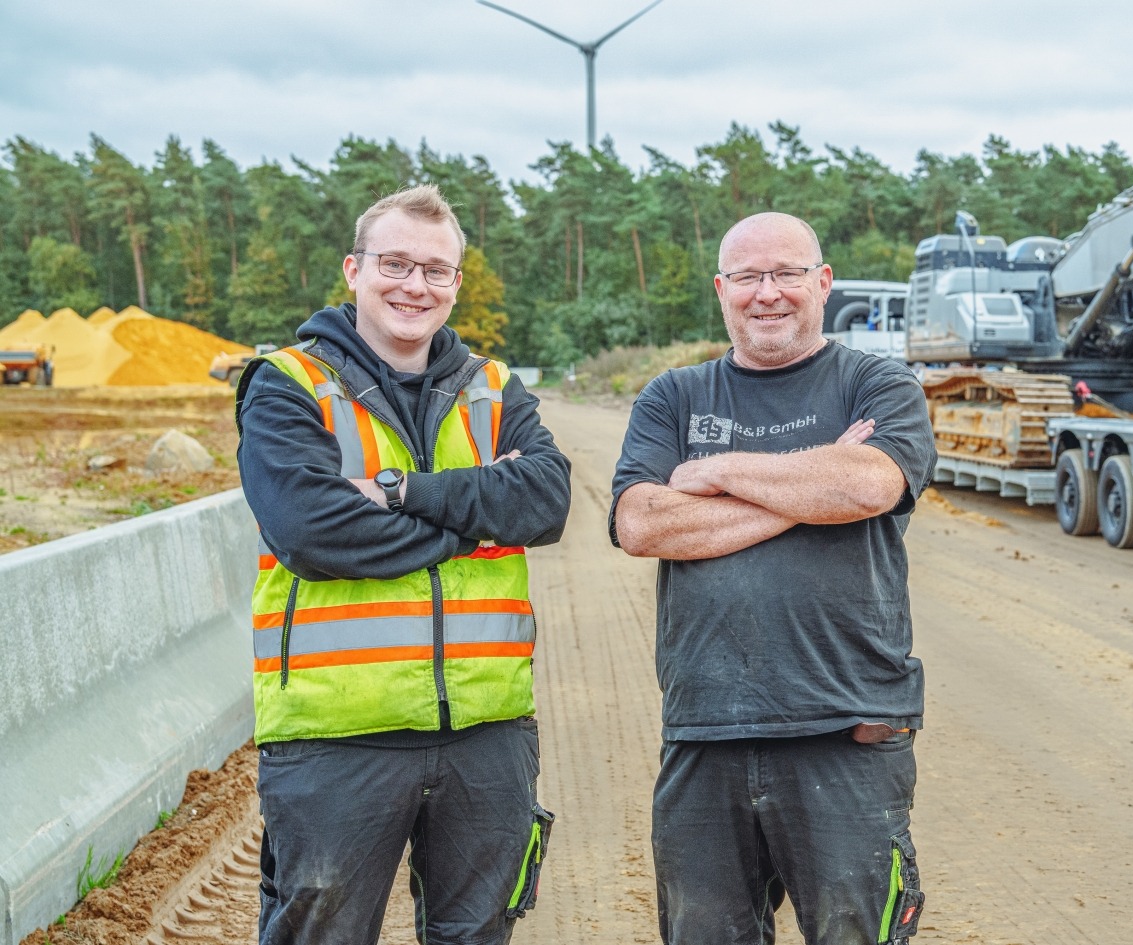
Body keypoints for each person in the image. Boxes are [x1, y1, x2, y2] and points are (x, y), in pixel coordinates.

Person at [235, 184, 571, 945]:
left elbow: (545, 502)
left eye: (436, 270)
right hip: (336, 735)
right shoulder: (289, 385)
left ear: (456, 283)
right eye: (395, 263)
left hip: (488, 730)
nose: (414, 285)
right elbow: (313, 531)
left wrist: (397, 491)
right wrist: (475, 524)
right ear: (354, 270)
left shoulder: (491, 387)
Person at [610, 211, 938, 945]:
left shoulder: (876, 383)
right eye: (748, 277)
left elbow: (865, 488)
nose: (768, 294)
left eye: (787, 273)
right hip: (704, 734)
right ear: (721, 289)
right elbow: (642, 524)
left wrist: (717, 472)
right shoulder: (675, 396)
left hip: (847, 730)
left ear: (822, 283)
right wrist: (808, 489)